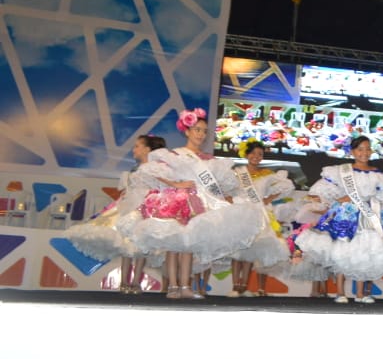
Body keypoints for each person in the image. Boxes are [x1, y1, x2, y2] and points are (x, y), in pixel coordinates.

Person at [133, 107, 263, 299]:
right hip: (178, 200)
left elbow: (220, 183)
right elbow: (153, 171)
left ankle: (185, 286)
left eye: (204, 131)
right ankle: (173, 287)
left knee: (189, 245)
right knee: (174, 244)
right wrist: (177, 183)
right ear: (187, 131)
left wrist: (224, 196)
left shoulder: (209, 159)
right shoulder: (175, 154)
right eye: (197, 130)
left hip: (199, 202)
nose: (201, 134)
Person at [294, 135, 383, 303]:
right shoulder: (341, 171)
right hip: (346, 214)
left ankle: (360, 294)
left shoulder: (380, 175)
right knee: (343, 250)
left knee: (364, 251)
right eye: (360, 149)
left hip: (369, 214)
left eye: (367, 148)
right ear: (352, 152)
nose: (364, 152)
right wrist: (339, 200)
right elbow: (324, 191)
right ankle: (340, 292)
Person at [66, 134, 167, 293]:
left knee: (141, 245)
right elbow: (129, 190)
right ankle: (124, 282)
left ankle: (135, 282)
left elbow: (159, 188)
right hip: (129, 206)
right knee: (125, 242)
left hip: (146, 207)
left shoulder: (156, 169)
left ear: (147, 149)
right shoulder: (135, 169)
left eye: (137, 146)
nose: (134, 149)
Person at [227, 139, 295, 297]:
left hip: (258, 213)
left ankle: (243, 285)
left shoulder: (267, 174)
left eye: (260, 154)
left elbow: (286, 186)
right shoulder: (237, 172)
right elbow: (226, 189)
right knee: (237, 251)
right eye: (253, 153)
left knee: (250, 250)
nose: (256, 156)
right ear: (247, 154)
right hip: (240, 212)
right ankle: (235, 285)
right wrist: (230, 199)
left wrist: (268, 199)